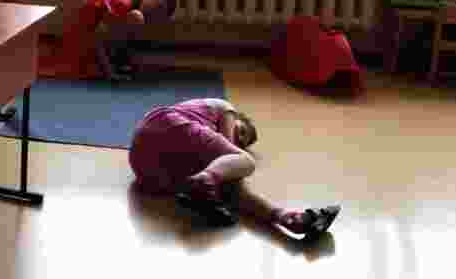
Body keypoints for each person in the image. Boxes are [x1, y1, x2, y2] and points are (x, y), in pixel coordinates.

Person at [129, 97, 340, 238]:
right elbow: (229, 149)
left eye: (242, 142)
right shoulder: (225, 108)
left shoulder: (203, 151)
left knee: (229, 188)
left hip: (147, 169)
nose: (237, 140)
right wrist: (233, 159)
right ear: (238, 119)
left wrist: (277, 216)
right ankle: (205, 181)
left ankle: (289, 219)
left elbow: (234, 187)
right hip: (167, 123)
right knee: (246, 162)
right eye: (241, 132)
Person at [39, 0, 178, 82]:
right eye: (157, 8)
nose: (153, 14)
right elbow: (98, 36)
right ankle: (104, 65)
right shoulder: (122, 2)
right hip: (83, 42)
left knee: (134, 21)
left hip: (90, 36)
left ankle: (115, 63)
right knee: (135, 19)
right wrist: (109, 72)